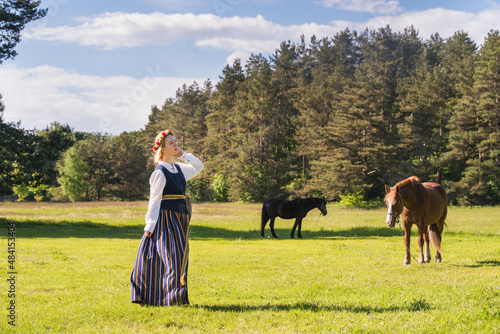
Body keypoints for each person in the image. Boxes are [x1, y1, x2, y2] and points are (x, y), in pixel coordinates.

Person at [131, 129, 204, 306]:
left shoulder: (178, 169)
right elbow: (154, 201)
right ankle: (165, 298)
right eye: (171, 143)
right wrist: (149, 226)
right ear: (162, 149)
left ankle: (175, 298)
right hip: (165, 221)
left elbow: (199, 166)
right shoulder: (160, 172)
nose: (175, 144)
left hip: (179, 221)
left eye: (175, 141)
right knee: (170, 258)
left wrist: (184, 155)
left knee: (180, 258)